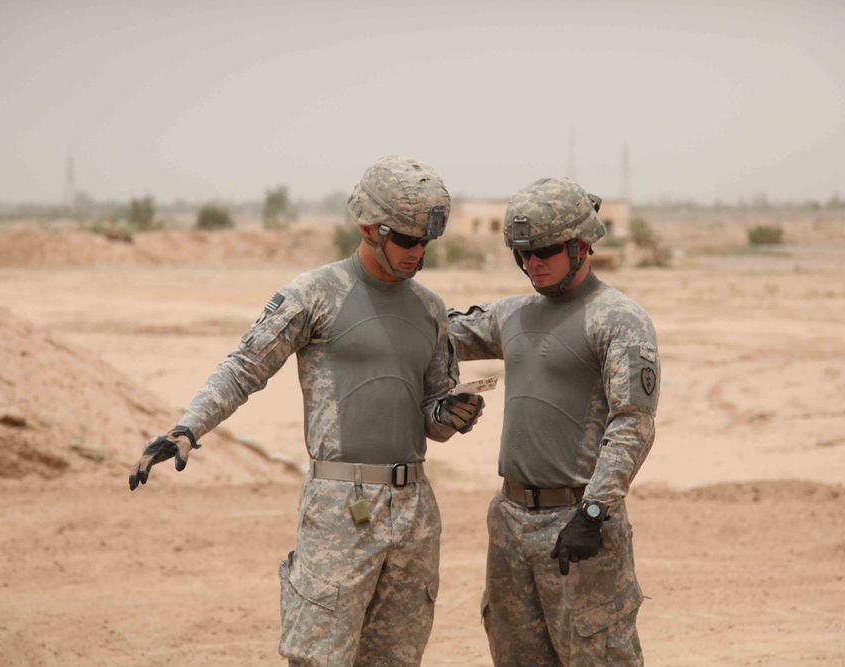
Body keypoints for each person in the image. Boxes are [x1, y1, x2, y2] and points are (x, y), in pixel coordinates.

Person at [128, 155, 484, 666]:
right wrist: (188, 427)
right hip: (340, 510)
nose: (417, 252)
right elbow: (244, 367)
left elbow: (431, 411)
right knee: (319, 657)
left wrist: (450, 416)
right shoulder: (314, 294)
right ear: (368, 228)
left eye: (424, 241)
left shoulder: (429, 309)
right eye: (405, 239)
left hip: (414, 513)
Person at [448, 177, 660, 666]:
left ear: (581, 245)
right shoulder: (512, 315)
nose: (532, 264)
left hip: (578, 526)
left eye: (544, 250)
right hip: (510, 524)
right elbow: (437, 334)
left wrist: (594, 512)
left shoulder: (618, 320)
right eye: (521, 254)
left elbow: (633, 424)